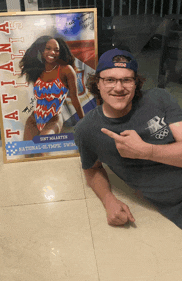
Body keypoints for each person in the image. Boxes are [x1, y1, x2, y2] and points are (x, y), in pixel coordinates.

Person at [74, 48, 182, 229]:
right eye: (109, 80)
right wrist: (108, 200)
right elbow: (92, 170)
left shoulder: (159, 98)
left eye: (126, 80)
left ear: (136, 83)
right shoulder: (86, 130)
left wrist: (147, 151)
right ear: (98, 84)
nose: (118, 88)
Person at [20, 35, 84, 140]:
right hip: (34, 119)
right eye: (48, 49)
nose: (52, 52)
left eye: (56, 50)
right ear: (41, 50)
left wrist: (84, 122)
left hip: (54, 120)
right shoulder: (37, 70)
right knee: (29, 154)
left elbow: (75, 98)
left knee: (42, 149)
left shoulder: (66, 70)